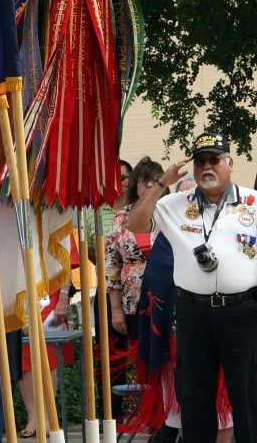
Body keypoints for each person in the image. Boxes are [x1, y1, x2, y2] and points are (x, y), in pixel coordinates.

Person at [127, 132, 257, 443]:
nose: (207, 167)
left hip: (243, 313)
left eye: (214, 160)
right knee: (195, 398)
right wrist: (162, 183)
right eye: (200, 162)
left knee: (248, 398)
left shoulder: (252, 203)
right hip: (193, 314)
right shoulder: (174, 203)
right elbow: (135, 224)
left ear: (230, 163)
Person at [87, 159, 132, 419]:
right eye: (113, 178)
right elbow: (92, 251)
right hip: (106, 294)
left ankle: (150, 415)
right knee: (108, 357)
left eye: (124, 178)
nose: (119, 183)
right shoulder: (93, 210)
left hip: (137, 293)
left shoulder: (139, 209)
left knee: (145, 354)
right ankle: (111, 416)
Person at [106, 156, 168, 340]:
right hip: (134, 302)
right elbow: (111, 267)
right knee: (141, 354)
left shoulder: (174, 215)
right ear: (135, 185)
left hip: (171, 298)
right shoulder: (120, 219)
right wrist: (116, 310)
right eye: (143, 181)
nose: (149, 186)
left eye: (155, 181)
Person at [18, 277, 72, 438]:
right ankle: (33, 418)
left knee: (48, 356)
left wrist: (63, 299)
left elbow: (66, 261)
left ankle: (48, 418)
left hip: (48, 294)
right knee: (24, 355)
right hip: (22, 293)